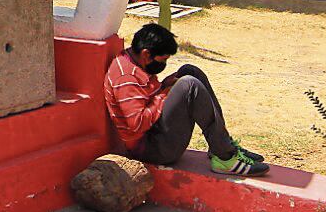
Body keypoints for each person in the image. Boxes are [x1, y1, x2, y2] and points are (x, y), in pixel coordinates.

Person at [104, 23, 269, 177]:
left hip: (155, 133)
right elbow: (137, 123)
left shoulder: (134, 59)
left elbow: (145, 98)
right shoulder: (126, 78)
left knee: (189, 71)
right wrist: (164, 93)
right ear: (146, 54)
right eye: (162, 60)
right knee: (189, 85)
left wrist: (163, 87)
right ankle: (225, 158)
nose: (164, 64)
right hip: (150, 149)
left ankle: (221, 145)